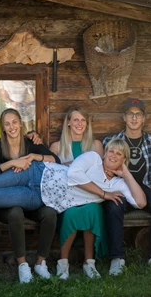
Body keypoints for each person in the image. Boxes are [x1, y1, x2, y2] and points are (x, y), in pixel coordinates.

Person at [0, 139, 147, 278]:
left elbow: (140, 202)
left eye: (119, 154)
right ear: (105, 153)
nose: (113, 155)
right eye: (111, 151)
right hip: (36, 172)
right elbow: (73, 174)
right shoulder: (93, 158)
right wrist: (104, 194)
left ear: (124, 158)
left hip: (38, 197)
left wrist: (125, 173)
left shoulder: (117, 182)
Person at [0, 108, 60, 283]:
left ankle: (40, 262)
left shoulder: (30, 143)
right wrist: (11, 163)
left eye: (14, 122)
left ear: (21, 123)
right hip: (7, 203)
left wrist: (35, 157)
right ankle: (22, 265)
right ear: (3, 127)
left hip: (30, 199)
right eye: (7, 124)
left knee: (50, 213)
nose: (12, 127)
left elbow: (56, 160)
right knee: (15, 212)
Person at [103, 98, 151, 274]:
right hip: (120, 187)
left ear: (144, 118)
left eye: (138, 114)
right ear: (124, 117)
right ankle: (117, 259)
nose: (134, 118)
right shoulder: (111, 141)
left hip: (147, 187)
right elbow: (102, 167)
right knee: (112, 206)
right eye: (130, 114)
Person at [49, 107, 106, 279]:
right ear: (68, 122)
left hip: (90, 196)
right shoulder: (57, 147)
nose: (79, 124)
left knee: (92, 210)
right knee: (72, 213)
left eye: (83, 120)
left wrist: (71, 167)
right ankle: (63, 263)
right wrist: (77, 168)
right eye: (75, 120)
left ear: (87, 124)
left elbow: (100, 174)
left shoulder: (95, 145)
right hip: (67, 198)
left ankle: (89, 263)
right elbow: (52, 175)